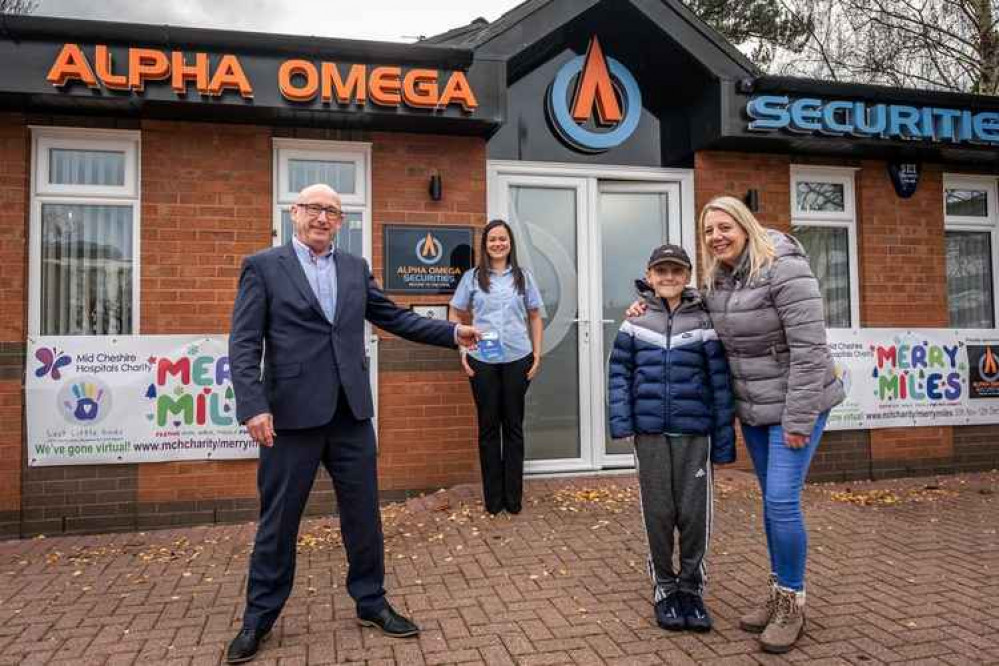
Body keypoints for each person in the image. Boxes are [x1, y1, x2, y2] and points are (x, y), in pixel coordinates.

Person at [226, 183, 480, 664]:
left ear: (342, 222)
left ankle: (371, 601)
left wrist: (451, 333)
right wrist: (253, 406)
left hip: (350, 414)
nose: (322, 218)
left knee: (364, 516)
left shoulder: (354, 268)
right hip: (290, 418)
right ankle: (258, 617)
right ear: (294, 213)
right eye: (314, 209)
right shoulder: (262, 266)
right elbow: (243, 344)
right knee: (278, 522)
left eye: (333, 212)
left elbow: (394, 318)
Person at [627, 196, 845, 653]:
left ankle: (792, 602)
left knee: (783, 501)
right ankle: (778, 589)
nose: (716, 237)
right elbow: (683, 305)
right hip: (756, 408)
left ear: (745, 226)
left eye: (724, 227)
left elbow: (810, 350)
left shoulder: (785, 269)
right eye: (709, 231)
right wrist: (643, 306)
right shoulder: (719, 279)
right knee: (770, 502)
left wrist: (800, 418)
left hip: (796, 404)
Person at [608, 244, 735, 634]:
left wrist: (724, 440)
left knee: (694, 517)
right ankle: (665, 587)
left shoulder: (703, 320)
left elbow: (719, 382)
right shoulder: (634, 322)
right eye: (660, 271)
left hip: (695, 435)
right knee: (659, 515)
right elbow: (618, 376)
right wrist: (621, 422)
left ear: (687, 276)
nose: (668, 278)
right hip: (649, 434)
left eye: (676, 272)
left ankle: (692, 590)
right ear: (649, 276)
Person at [449, 219, 543, 515]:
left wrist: (537, 354)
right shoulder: (473, 278)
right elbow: (455, 311)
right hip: (483, 361)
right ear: (485, 244)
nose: (498, 244)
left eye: (503, 239)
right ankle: (493, 500)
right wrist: (463, 349)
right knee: (489, 428)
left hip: (517, 358)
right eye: (492, 240)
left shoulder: (523, 277)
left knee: (513, 427)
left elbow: (535, 316)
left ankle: (513, 499)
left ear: (510, 243)